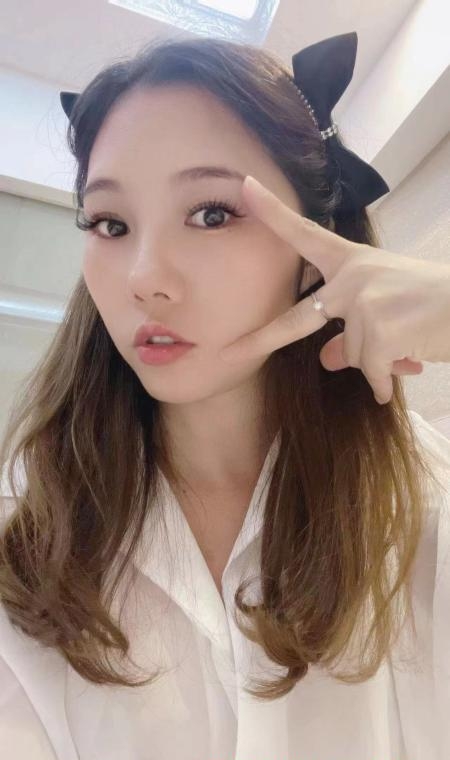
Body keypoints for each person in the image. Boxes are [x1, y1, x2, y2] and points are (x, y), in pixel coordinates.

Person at [0, 33, 449, 760]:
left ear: (316, 245)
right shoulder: (28, 523)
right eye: (110, 223)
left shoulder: (421, 498)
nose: (144, 277)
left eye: (211, 213)